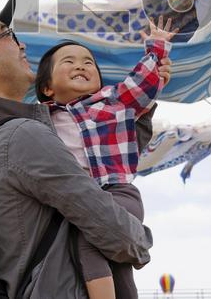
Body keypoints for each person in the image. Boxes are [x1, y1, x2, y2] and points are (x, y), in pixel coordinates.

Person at [0, 0, 153, 298]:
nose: (21, 45)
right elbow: (119, 234)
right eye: (7, 35)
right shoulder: (23, 136)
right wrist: (141, 237)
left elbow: (99, 156)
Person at [33, 16, 174, 299]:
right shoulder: (39, 120)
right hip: (79, 197)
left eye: (88, 62)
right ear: (47, 88)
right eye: (68, 62)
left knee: (87, 241)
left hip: (117, 192)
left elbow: (141, 85)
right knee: (116, 264)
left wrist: (156, 48)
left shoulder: (112, 102)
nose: (81, 65)